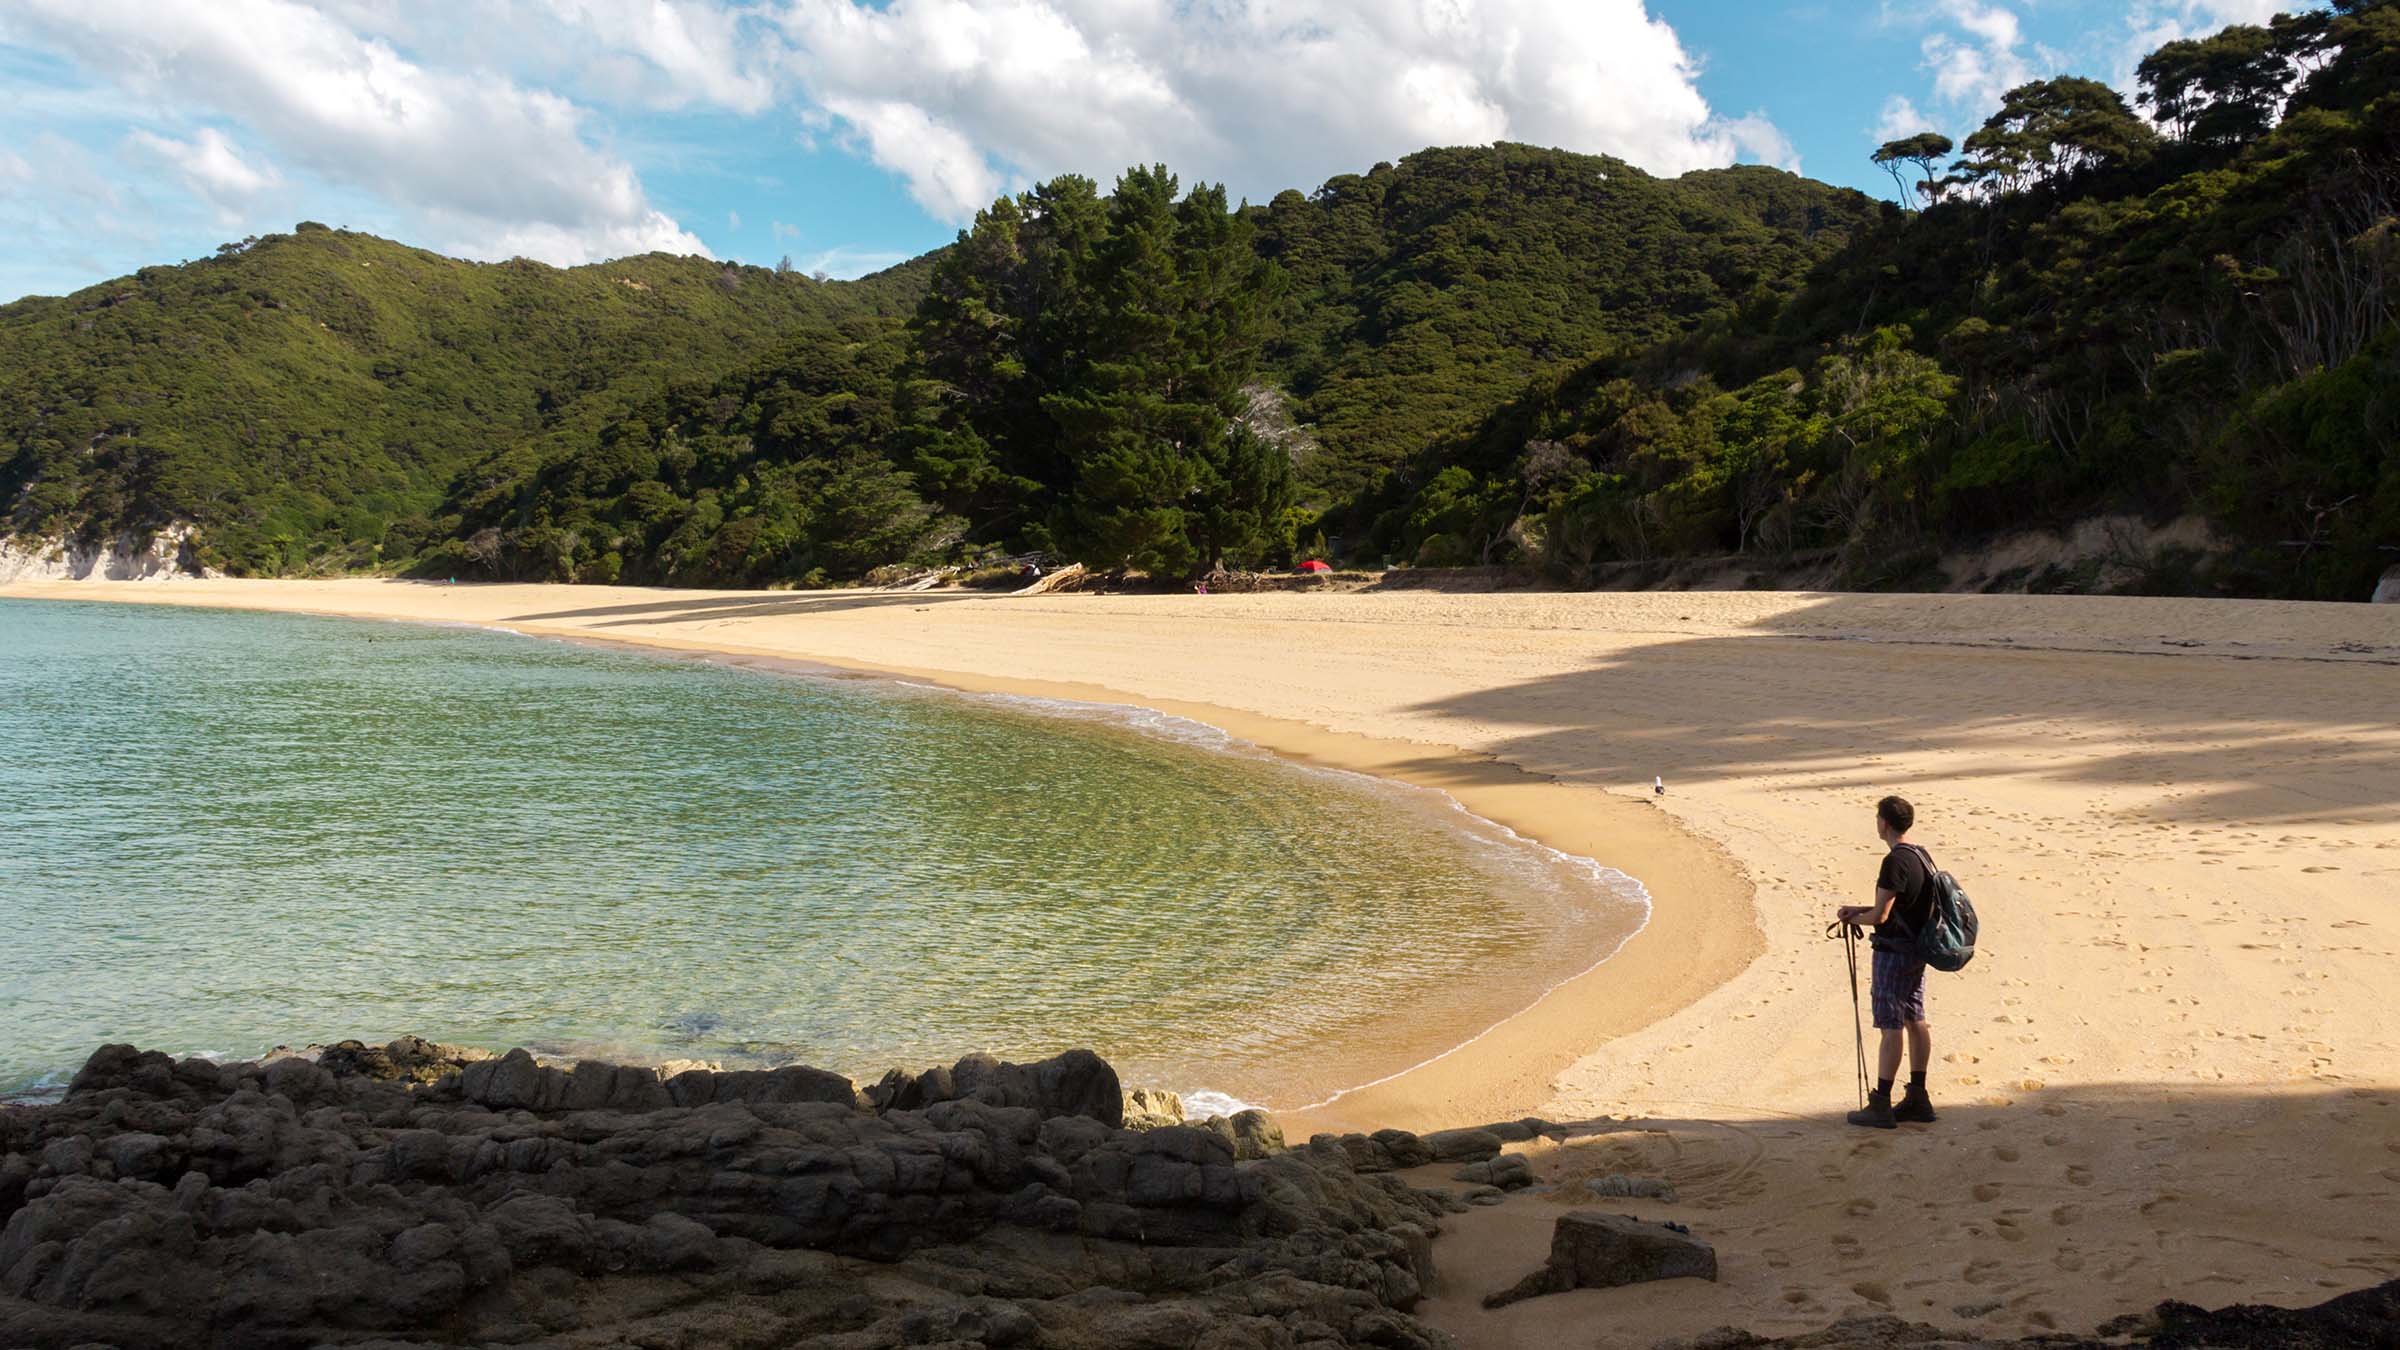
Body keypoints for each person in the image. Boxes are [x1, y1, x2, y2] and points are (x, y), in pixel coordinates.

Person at [1836, 795, 1937, 1128]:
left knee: (1890, 1026)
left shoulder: (1893, 862)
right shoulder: (1920, 855)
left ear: (1885, 823)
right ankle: (1918, 1097)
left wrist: (1854, 919)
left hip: (1893, 953)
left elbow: (1881, 915)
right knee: (1915, 1018)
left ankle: (1881, 1103)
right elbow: (1901, 906)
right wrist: (1859, 910)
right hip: (1917, 950)